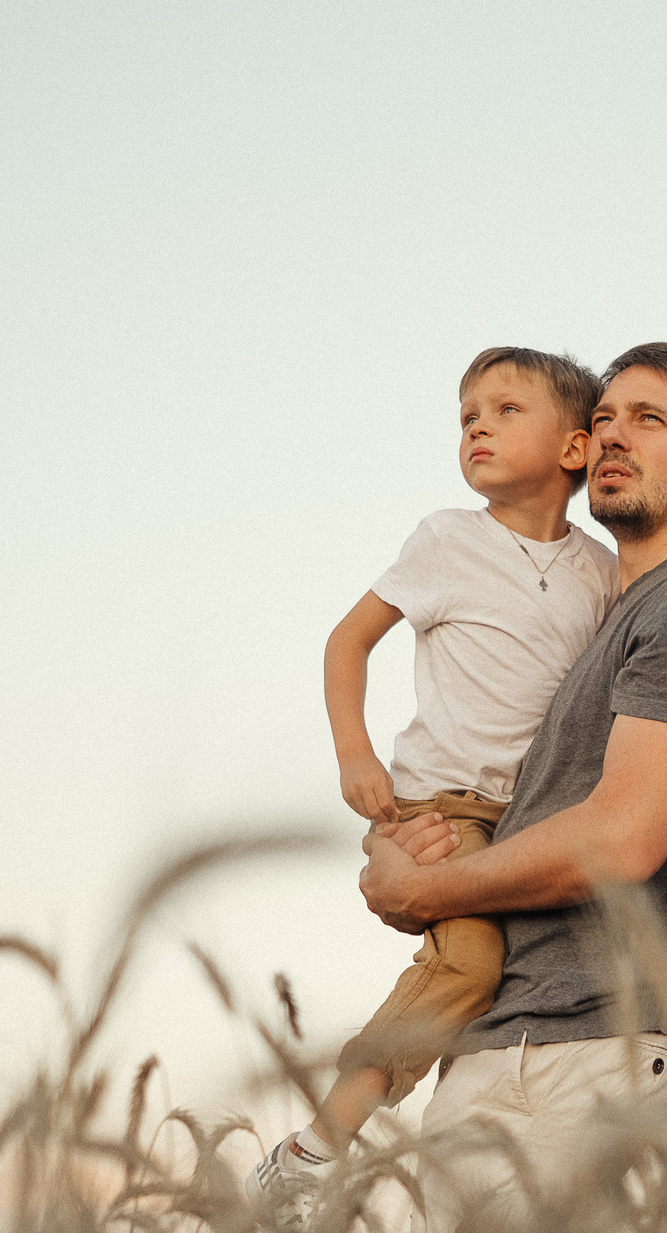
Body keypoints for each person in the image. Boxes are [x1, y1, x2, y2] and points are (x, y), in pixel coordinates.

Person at [353, 342, 667, 1204]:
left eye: (649, 419)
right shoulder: (612, 616)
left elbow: (621, 838)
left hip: (570, 1053)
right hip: (522, 1045)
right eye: (603, 420)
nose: (612, 437)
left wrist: (426, 894)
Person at [257, 348, 619, 1184]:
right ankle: (315, 1148)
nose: (477, 427)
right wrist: (355, 750)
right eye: (467, 417)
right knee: (467, 966)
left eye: (503, 410)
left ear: (573, 449)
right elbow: (347, 640)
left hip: (533, 818)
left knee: (525, 975)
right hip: (443, 811)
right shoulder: (446, 540)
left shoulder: (602, 575)